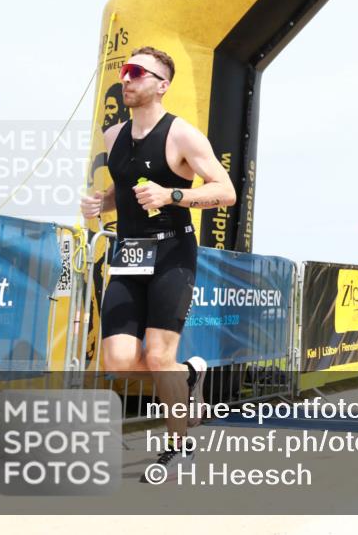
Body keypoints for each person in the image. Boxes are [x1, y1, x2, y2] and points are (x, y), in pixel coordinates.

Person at [80, 46, 237, 480]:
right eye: (124, 71)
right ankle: (188, 378)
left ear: (161, 85)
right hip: (129, 254)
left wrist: (174, 195)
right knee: (118, 361)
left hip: (172, 254)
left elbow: (225, 192)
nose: (126, 78)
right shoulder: (114, 136)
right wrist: (102, 201)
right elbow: (124, 190)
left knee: (158, 355)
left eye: (136, 72)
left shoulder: (182, 135)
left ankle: (178, 445)